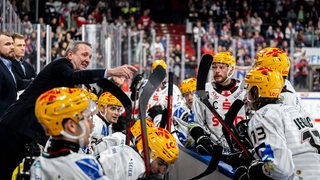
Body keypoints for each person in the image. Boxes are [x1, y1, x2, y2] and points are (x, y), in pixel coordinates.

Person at [0, 40, 137, 179]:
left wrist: (125, 101)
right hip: (15, 126)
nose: (87, 60)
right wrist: (111, 71)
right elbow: (77, 76)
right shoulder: (61, 64)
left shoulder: (69, 76)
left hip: (28, 132)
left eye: (90, 57)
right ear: (70, 55)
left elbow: (94, 80)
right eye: (84, 55)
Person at [235, 67, 320, 179]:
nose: (247, 95)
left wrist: (259, 170)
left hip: (299, 174)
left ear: (257, 91)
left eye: (249, 90)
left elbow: (279, 168)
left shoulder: (262, 116)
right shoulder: (297, 111)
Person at [29, 87, 107, 179]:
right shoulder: (84, 166)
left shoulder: (36, 166)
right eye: (87, 118)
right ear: (71, 126)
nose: (92, 125)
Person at [191, 52, 247, 155]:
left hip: (241, 152)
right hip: (214, 151)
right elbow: (195, 122)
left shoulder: (245, 91)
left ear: (231, 69)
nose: (217, 71)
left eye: (221, 67)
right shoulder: (204, 91)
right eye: (214, 67)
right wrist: (200, 137)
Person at [94, 119, 179, 180]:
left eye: (166, 167)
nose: (161, 170)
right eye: (160, 163)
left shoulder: (130, 153)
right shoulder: (130, 162)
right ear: (147, 151)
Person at [172, 77, 196, 147]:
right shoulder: (179, 113)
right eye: (186, 95)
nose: (189, 97)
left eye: (192, 93)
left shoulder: (206, 107)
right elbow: (187, 142)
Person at [0, 32, 18, 117]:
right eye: (7, 44)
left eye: (12, 44)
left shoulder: (8, 64)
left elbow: (19, 82)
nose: (12, 47)